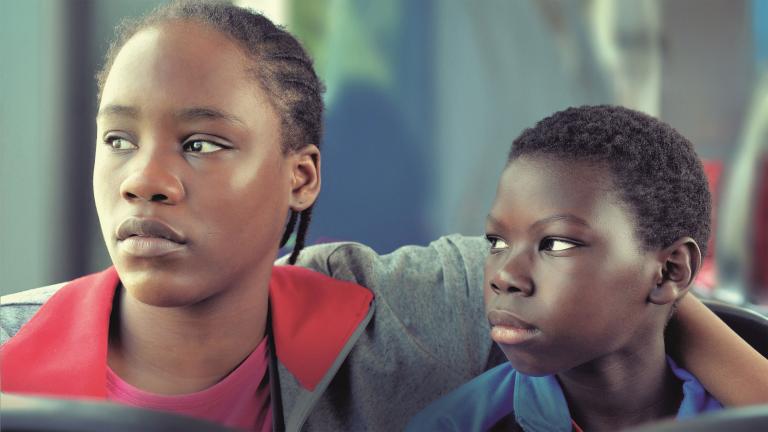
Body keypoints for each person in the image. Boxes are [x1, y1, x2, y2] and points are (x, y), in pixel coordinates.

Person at [1, 2, 766, 431]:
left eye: (201, 142)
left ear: (300, 177)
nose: (144, 181)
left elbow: (629, 289)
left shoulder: (405, 313)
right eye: (117, 139)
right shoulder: (14, 354)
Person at [405, 105, 746, 431]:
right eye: (497, 242)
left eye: (555, 244)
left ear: (670, 271)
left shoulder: (745, 413)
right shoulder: (455, 425)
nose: (505, 276)